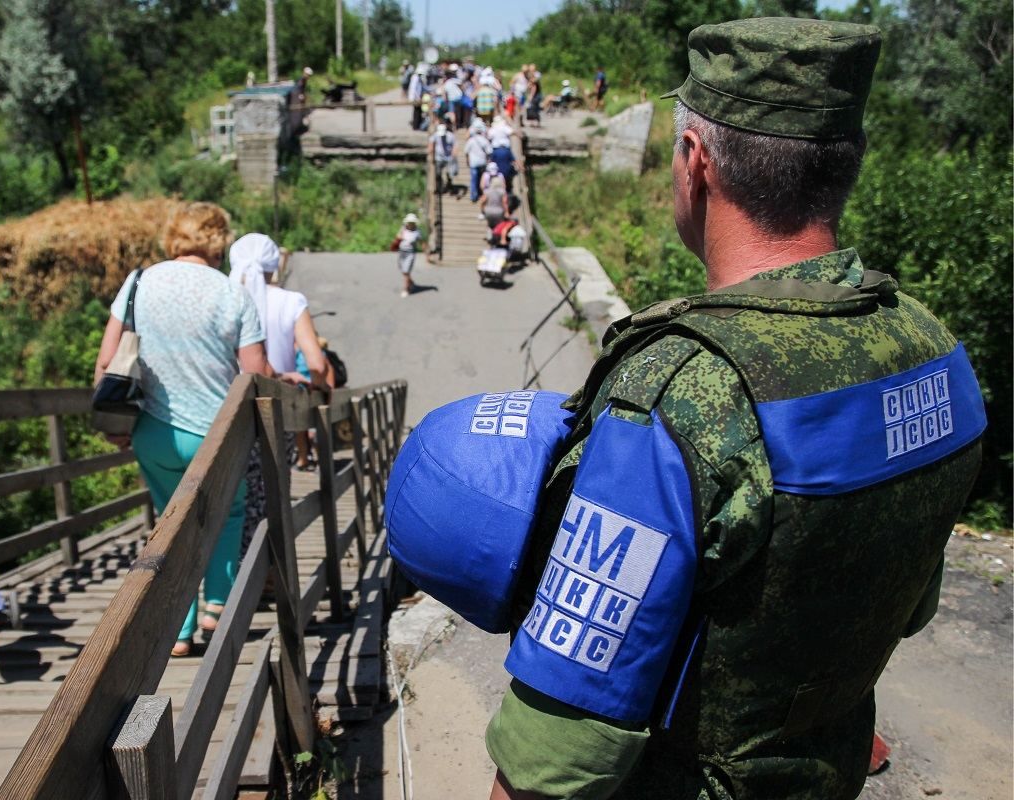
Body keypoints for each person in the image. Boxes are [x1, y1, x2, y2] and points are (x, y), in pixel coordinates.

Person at [485, 18, 986, 800]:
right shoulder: (932, 351)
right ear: (844, 164)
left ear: (696, 163)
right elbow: (907, 609)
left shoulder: (671, 391)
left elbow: (557, 755)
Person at [94, 202, 268, 658]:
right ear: (218, 240)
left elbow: (107, 359)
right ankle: (217, 607)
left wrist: (112, 424)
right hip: (216, 434)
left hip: (153, 431)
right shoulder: (233, 294)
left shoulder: (138, 283)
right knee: (227, 515)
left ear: (174, 235)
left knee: (170, 522)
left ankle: (179, 628)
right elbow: (254, 374)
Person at [229, 233, 331, 471]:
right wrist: (320, 391)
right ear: (273, 265)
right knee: (273, 487)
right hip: (278, 410)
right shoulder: (291, 301)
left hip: (230, 411)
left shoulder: (225, 297)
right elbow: (316, 364)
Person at [392, 212, 421, 297]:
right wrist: (401, 235)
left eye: (412, 223)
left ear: (414, 223)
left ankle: (406, 289)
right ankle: (411, 283)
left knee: (406, 271)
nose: (410, 224)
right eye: (409, 222)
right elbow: (398, 237)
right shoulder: (403, 228)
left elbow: (422, 242)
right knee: (403, 271)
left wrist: (427, 253)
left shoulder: (417, 232)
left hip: (410, 253)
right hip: (402, 252)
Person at [465, 119, 493, 203]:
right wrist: (488, 161)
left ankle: (473, 196)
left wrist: (467, 161)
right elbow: (489, 152)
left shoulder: (471, 140)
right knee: (482, 180)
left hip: (473, 163)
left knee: (473, 180)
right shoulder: (485, 140)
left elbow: (466, 152)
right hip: (482, 162)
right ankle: (482, 195)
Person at [429, 123, 457, 194]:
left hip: (448, 157)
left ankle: (449, 185)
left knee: (449, 173)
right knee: (438, 173)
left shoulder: (450, 136)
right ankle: (439, 188)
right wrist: (432, 154)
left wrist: (453, 155)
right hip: (438, 157)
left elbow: (455, 146)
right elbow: (431, 144)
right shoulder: (436, 135)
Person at [408, 65, 426, 131]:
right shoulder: (415, 78)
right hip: (415, 98)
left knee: (419, 111)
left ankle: (418, 125)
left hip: (418, 97)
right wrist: (416, 97)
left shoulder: (418, 77)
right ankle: (415, 126)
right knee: (416, 112)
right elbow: (414, 89)